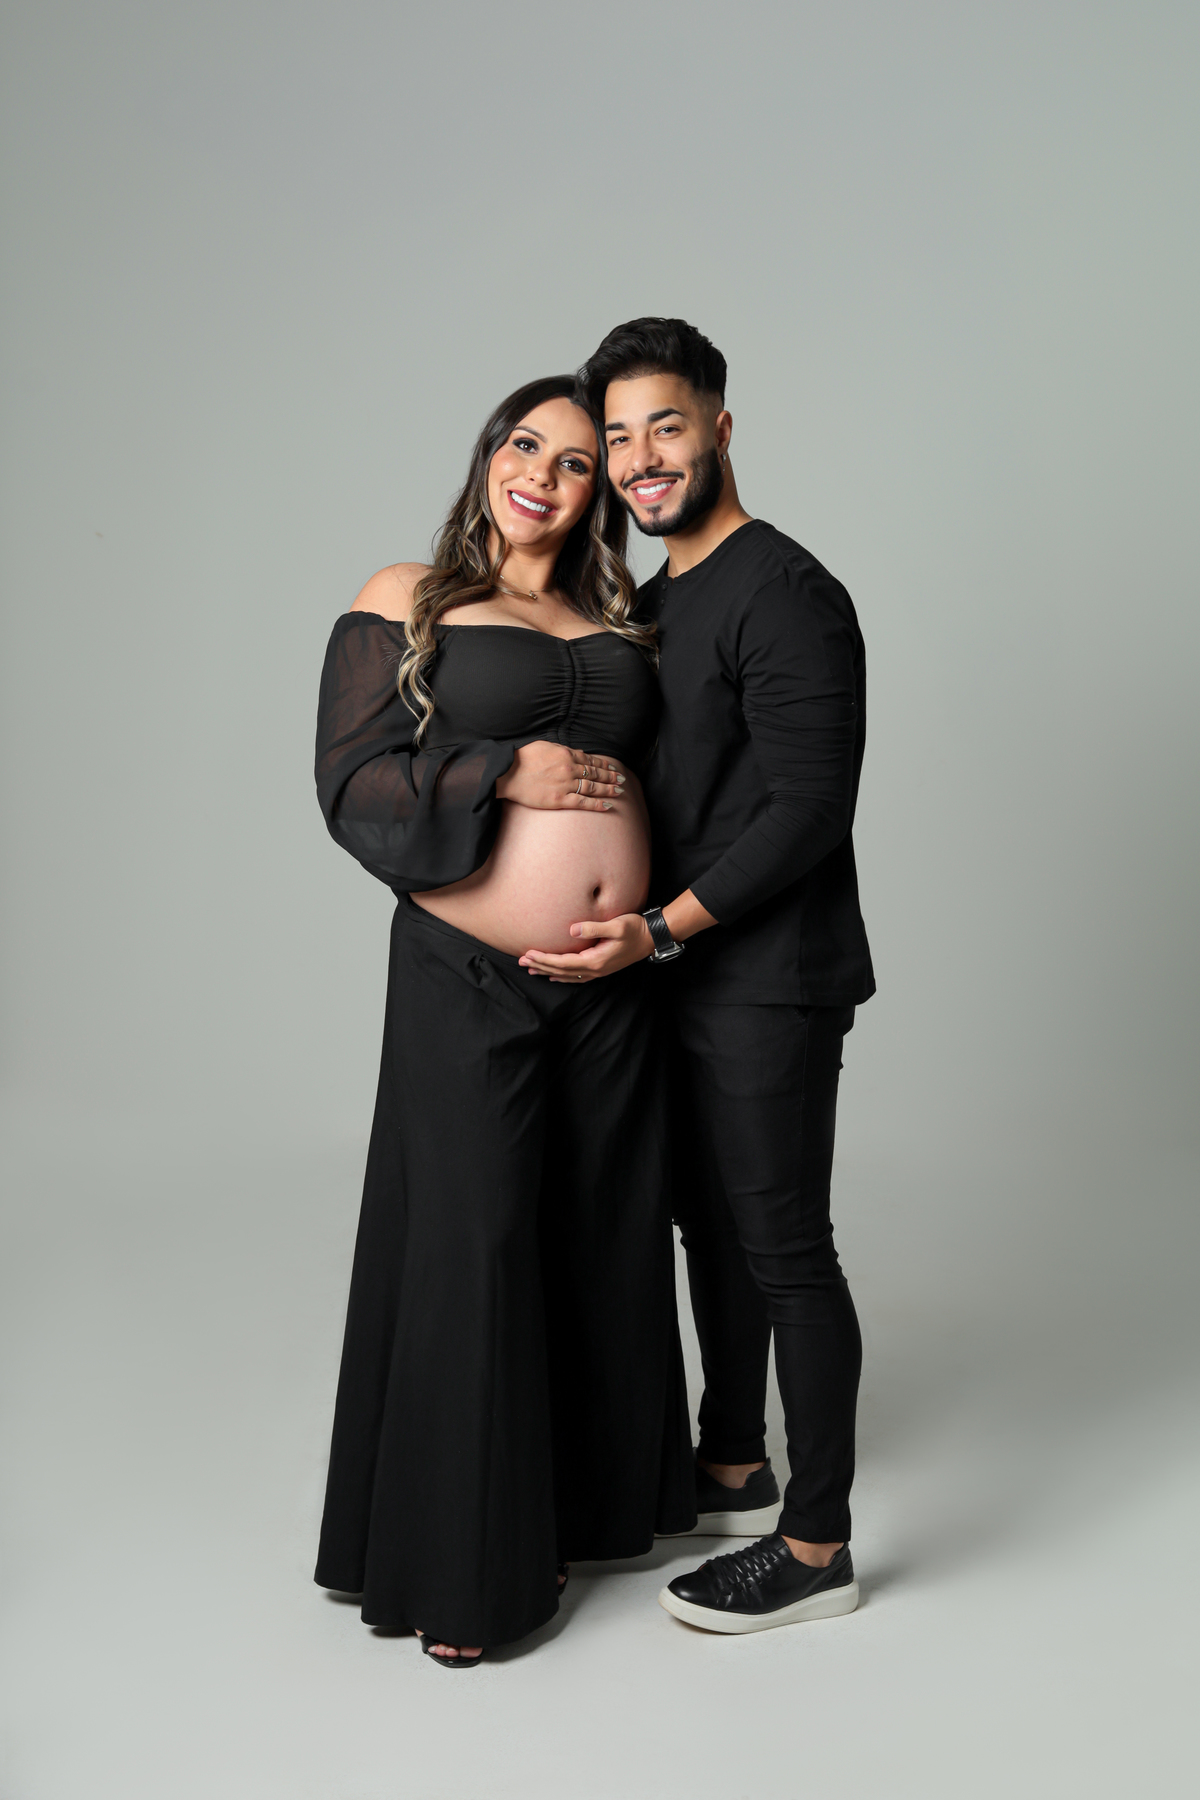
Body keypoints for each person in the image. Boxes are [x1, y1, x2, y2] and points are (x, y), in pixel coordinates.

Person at [313, 374, 696, 1667]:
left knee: (598, 1229)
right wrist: (500, 768)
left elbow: (681, 776)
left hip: (615, 981)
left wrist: (660, 924)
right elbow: (352, 784)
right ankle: (460, 1571)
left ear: (599, 494)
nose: (543, 472)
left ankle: (573, 1515)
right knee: (474, 1244)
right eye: (525, 444)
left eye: (577, 461)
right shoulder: (408, 598)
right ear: (489, 457)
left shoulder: (624, 618)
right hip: (466, 973)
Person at [520, 320, 874, 1633]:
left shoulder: (786, 591)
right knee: (705, 1228)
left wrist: (661, 930)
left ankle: (817, 1548)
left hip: (770, 976)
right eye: (617, 438)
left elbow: (808, 808)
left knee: (783, 1247)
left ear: (721, 428)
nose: (639, 459)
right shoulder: (657, 601)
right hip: (671, 974)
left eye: (664, 426)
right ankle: (734, 1464)